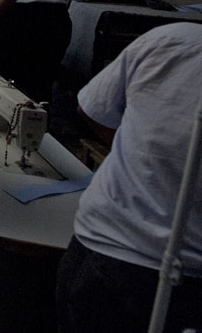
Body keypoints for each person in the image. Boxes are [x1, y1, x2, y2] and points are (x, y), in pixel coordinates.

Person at [56, 22, 202, 333]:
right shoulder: (169, 41)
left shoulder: (170, 40)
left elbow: (93, 110)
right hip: (170, 271)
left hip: (102, 250)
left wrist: (136, 153)